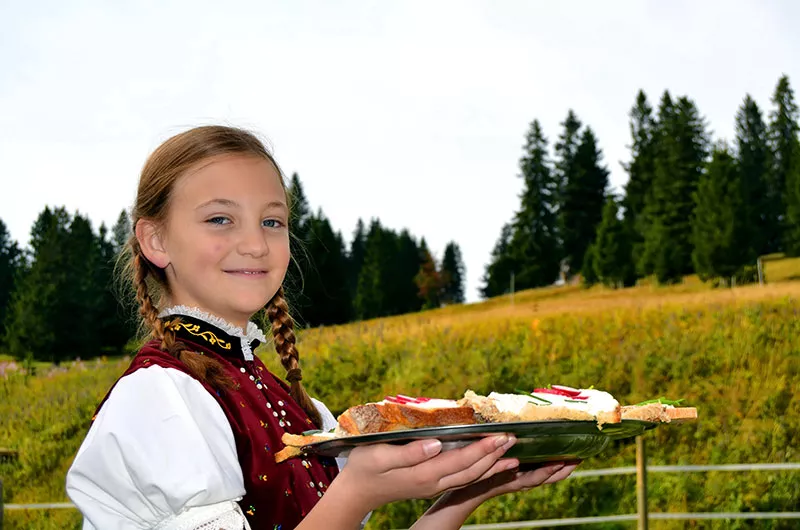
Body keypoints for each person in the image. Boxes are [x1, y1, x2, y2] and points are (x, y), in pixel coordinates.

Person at [65, 125, 579, 530]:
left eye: (272, 221)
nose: (256, 243)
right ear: (155, 241)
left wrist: (467, 491)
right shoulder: (158, 400)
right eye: (220, 219)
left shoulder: (296, 407)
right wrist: (357, 492)